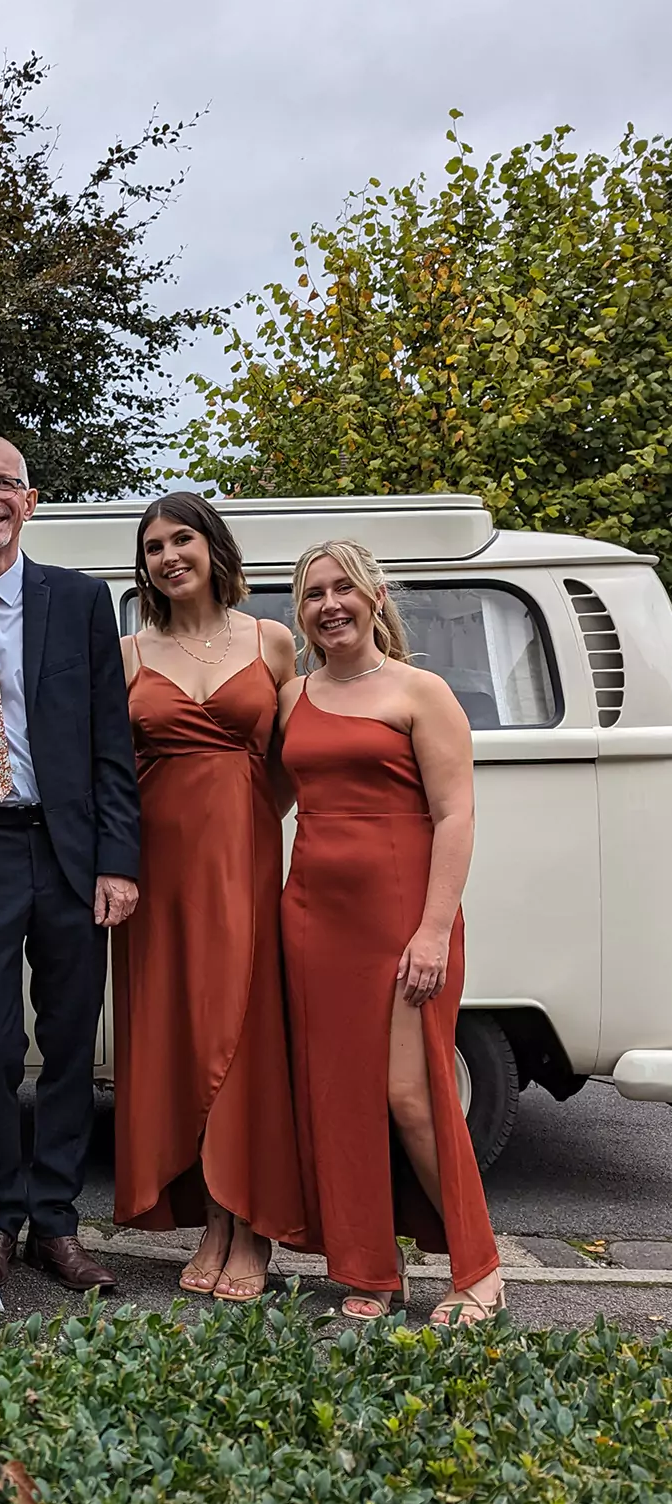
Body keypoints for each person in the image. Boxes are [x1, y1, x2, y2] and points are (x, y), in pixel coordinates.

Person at [279, 539, 506, 1326]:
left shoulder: (420, 691)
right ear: (300, 613)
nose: (329, 605)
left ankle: (479, 1269)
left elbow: (455, 815)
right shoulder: (292, 697)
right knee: (337, 1096)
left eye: (342, 588)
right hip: (313, 919)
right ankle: (370, 1270)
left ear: (375, 597)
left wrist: (433, 931)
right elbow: (263, 801)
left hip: (404, 920)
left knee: (410, 1096)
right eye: (313, 594)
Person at [0, 435, 141, 1292]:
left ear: (29, 501)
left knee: (67, 1040)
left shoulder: (80, 600)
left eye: (4, 483)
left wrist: (117, 861)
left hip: (67, 850)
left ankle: (55, 1222)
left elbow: (109, 741)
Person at [113, 494, 306, 1300]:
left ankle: (248, 1225)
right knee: (181, 1037)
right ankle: (209, 1223)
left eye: (181, 539)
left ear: (212, 547)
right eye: (153, 547)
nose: (168, 556)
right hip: (157, 872)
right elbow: (112, 774)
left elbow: (292, 762)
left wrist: (247, 819)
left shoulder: (270, 641)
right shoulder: (129, 653)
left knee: (244, 1032)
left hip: (243, 864)